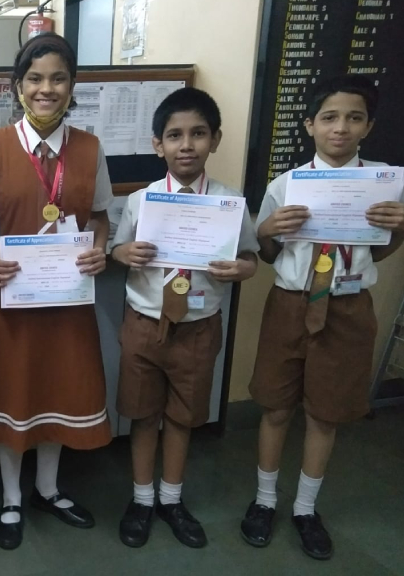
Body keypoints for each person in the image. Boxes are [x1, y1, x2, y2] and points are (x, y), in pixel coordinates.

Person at [241, 74, 404, 560]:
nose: (341, 128)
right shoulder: (285, 184)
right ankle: (265, 499)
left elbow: (381, 250)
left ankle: (305, 509)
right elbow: (269, 252)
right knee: (275, 405)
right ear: (310, 124)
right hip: (291, 304)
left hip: (348, 305)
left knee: (326, 411)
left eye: (354, 118)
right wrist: (268, 227)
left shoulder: (383, 184)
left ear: (368, 127)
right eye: (330, 118)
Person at [0, 33, 113, 550]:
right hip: (11, 299)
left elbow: (99, 217)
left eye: (57, 78)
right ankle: (11, 497)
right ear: (18, 86)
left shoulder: (91, 149)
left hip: (67, 300)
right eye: (35, 79)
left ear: (73, 85)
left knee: (56, 391)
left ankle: (48, 490)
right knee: (16, 395)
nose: (46, 89)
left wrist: (99, 248)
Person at [110, 87, 259, 549]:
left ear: (215, 139)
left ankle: (171, 499)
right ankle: (140, 498)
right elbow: (117, 248)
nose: (186, 144)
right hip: (145, 324)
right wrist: (124, 252)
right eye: (174, 135)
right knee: (142, 414)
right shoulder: (142, 200)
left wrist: (242, 269)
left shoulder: (229, 203)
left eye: (198, 133)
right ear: (158, 145)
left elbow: (251, 258)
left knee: (182, 417)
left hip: (198, 326)